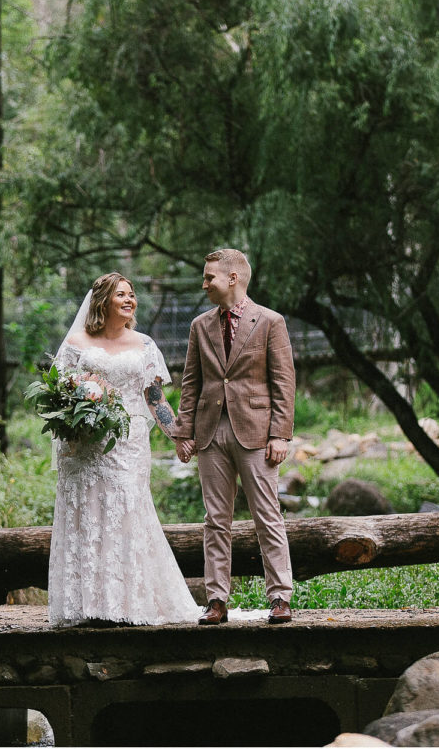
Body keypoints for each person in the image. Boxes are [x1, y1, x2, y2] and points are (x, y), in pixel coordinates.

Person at [47, 272, 196, 627]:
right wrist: (73, 417)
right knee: (86, 514)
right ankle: (85, 605)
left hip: (128, 445)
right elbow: (57, 394)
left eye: (132, 295)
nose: (130, 300)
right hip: (84, 446)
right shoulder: (77, 343)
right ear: (103, 301)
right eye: (121, 295)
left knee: (126, 512)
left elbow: (155, 398)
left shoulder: (144, 345)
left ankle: (126, 602)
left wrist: (177, 436)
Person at [173, 248, 296, 625]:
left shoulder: (270, 321)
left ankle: (279, 598)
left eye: (209, 277)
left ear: (232, 279)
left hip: (257, 434)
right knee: (215, 520)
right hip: (210, 434)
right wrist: (183, 433)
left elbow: (284, 381)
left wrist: (280, 434)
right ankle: (216, 600)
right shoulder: (200, 325)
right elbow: (191, 382)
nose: (204, 283)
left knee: (267, 516)